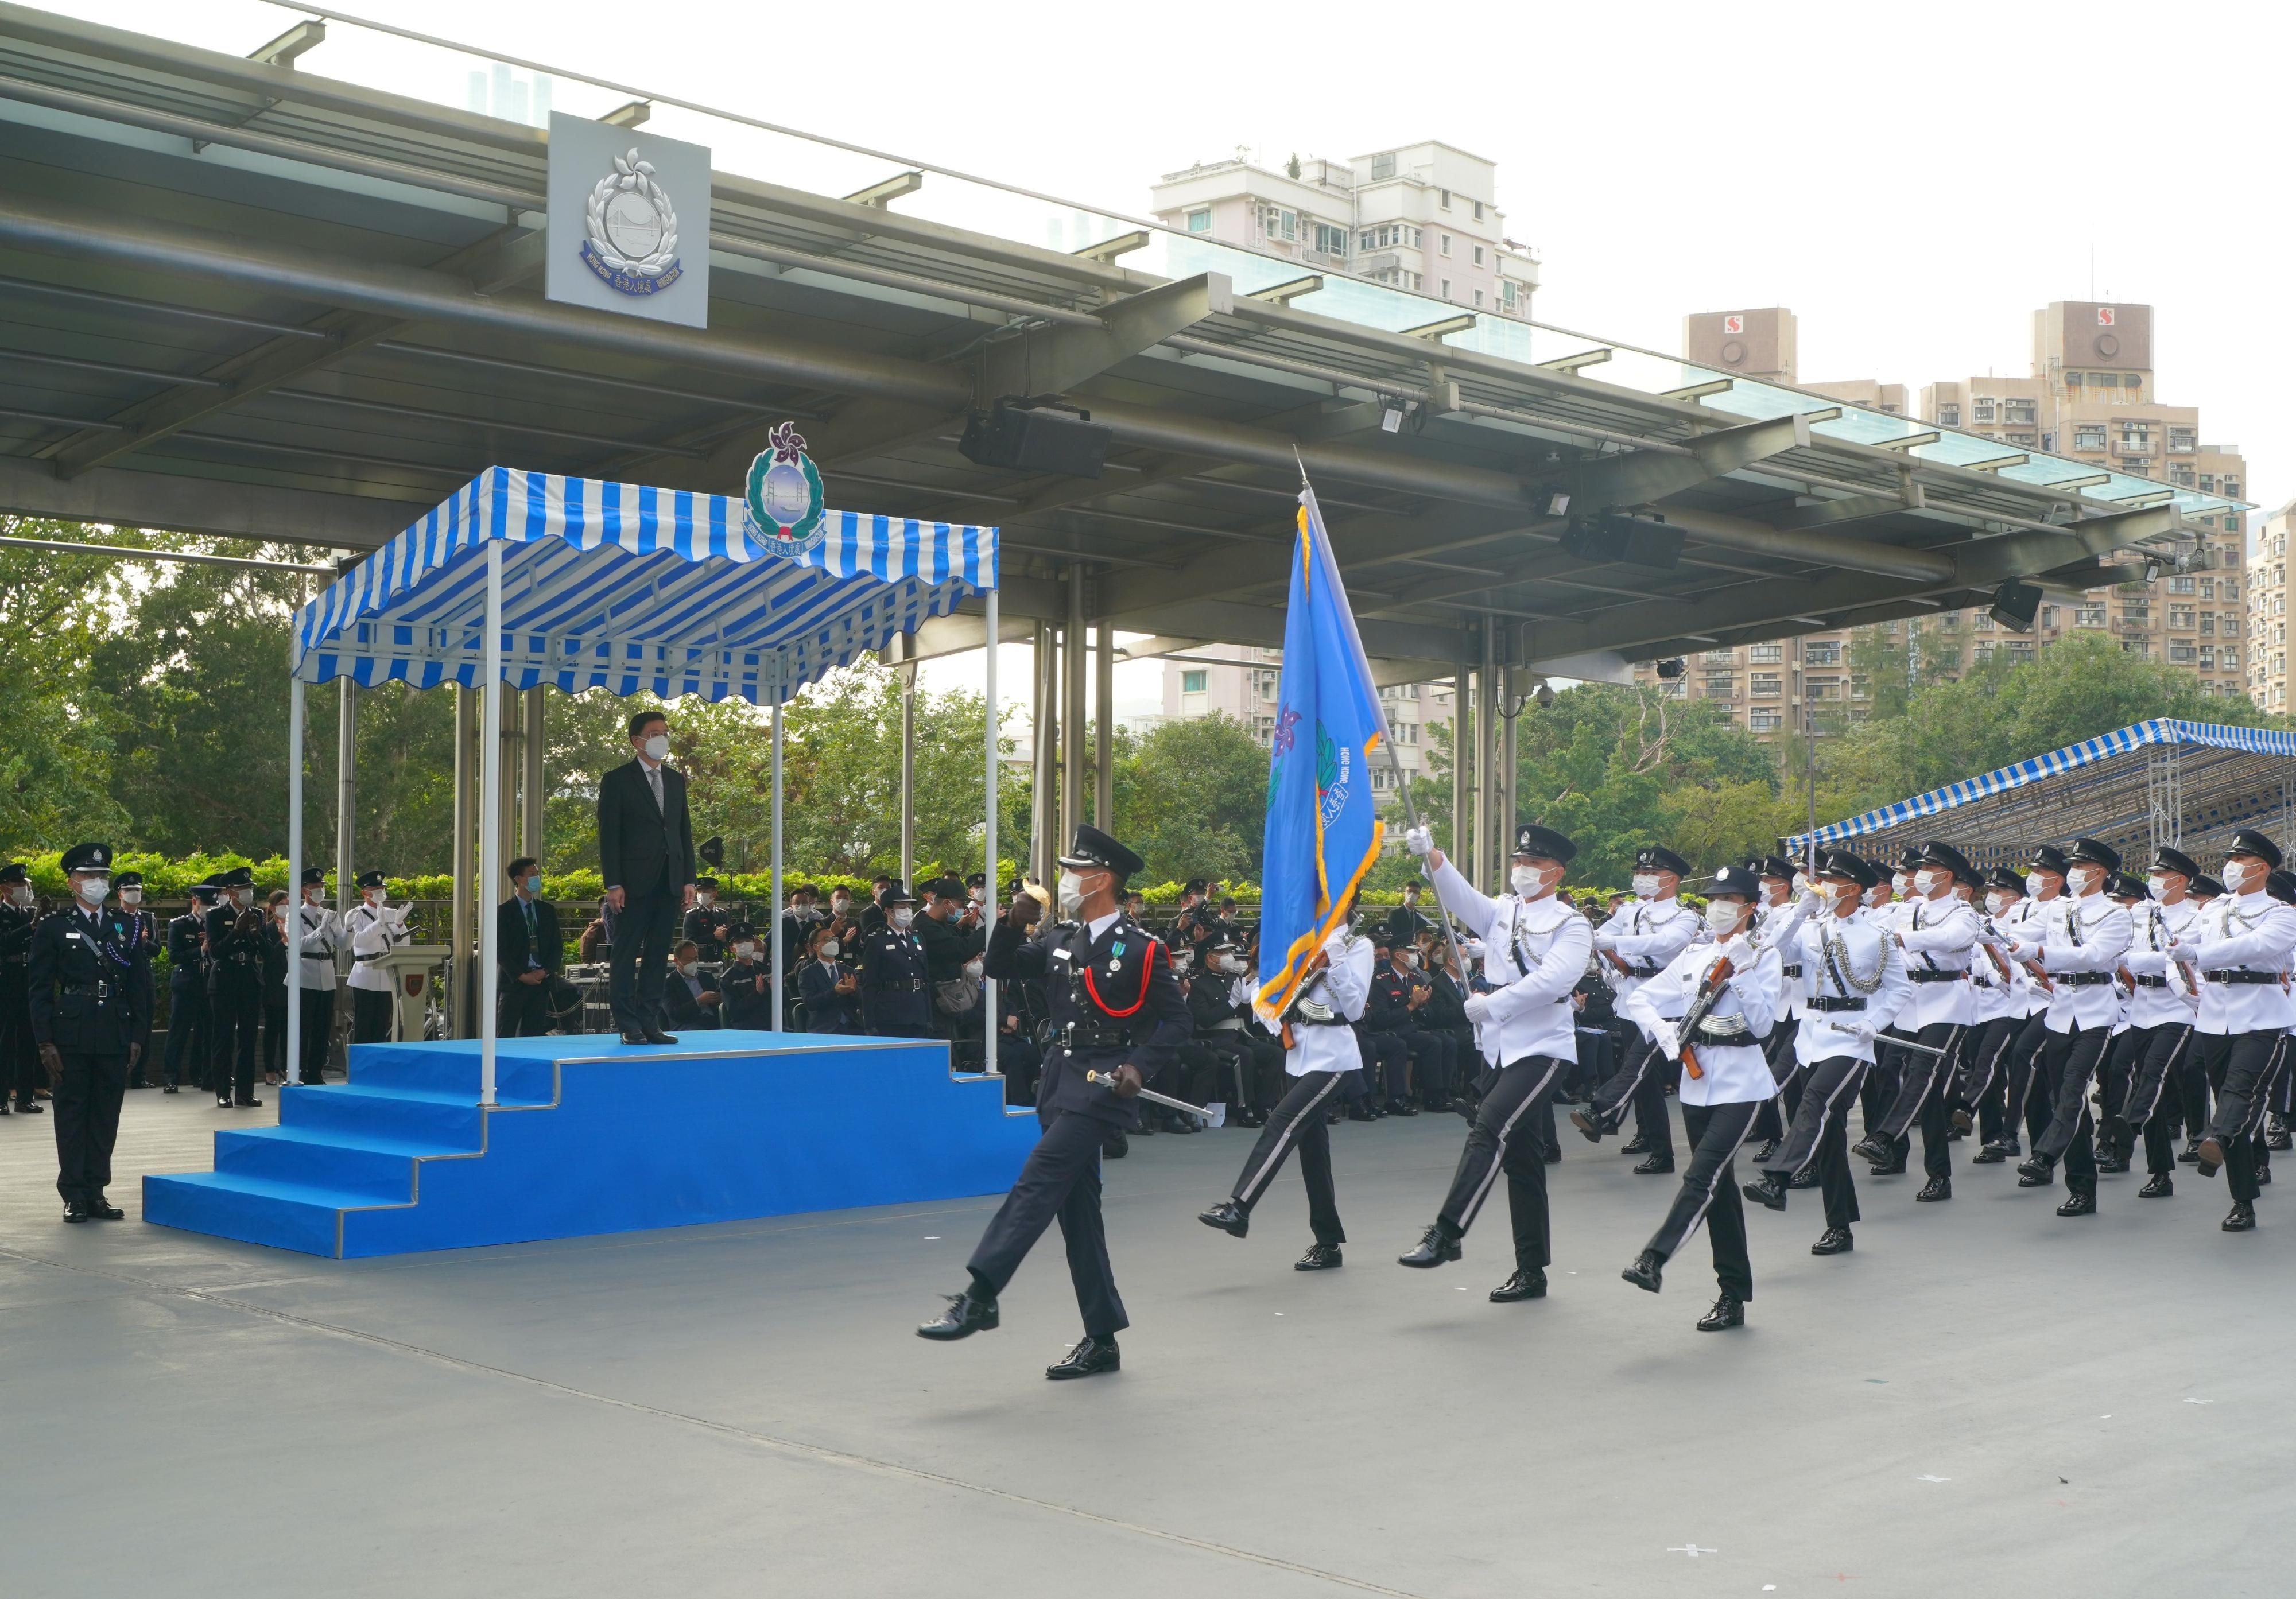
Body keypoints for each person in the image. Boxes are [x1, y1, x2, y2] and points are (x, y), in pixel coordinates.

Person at [918, 825, 1189, 1380]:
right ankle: (1102, 1337)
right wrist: (1011, 921)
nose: (1066, 880)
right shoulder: (1062, 938)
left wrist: (1139, 1066)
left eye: (1075, 871)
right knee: (1077, 1212)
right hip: (1059, 1078)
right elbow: (998, 966)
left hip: (1104, 1084)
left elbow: (1177, 1019)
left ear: (1103, 879)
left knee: (1038, 1179)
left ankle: (980, 1293)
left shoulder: (1141, 949)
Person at [1397, 822, 1593, 1304]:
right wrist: (1433, 856)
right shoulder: (1503, 912)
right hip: (1499, 1049)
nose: (1522, 871)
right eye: (1518, 863)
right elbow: (1460, 899)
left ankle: (1447, 1232)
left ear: (1556, 873)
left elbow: (1553, 983)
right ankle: (1532, 1271)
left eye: (1533, 864)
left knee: (1488, 1129)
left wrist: (1495, 1002)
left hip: (1542, 1047)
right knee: (1522, 1163)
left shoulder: (1572, 925)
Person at [1619, 865, 1782, 1331]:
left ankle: (1654, 1257)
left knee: (1701, 1176)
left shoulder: (1763, 956)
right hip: (1697, 1082)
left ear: (1750, 908)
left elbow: (1763, 1025)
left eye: (1729, 899)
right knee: (1718, 1192)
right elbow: (1642, 999)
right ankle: (1733, 1295)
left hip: (1743, 1085)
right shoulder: (1694, 956)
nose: (1718, 907)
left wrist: (1744, 970)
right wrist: (1665, 1033)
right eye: (1713, 898)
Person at [1743, 851, 1911, 1256]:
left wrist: (1873, 1023)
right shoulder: (1811, 928)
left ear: (1853, 889)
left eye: (1834, 880)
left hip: (1851, 1040)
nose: (1826, 886)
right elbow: (1770, 947)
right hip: (1811, 1035)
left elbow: (1900, 990)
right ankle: (1840, 1227)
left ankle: (1777, 1178)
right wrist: (1800, 912)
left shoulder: (1877, 935)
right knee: (1828, 1136)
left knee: (1815, 1102)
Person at [1197, 915, 1375, 1270]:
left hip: (1333, 1057)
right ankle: (1328, 1243)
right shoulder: (1301, 940)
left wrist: (1336, 958)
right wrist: (1273, 1014)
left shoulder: (1357, 946)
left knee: (1282, 1123)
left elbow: (1354, 1009)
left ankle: (1240, 1207)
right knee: (1313, 1153)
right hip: (1299, 1057)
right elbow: (1264, 993)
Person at [1998, 837, 2134, 1217]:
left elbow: (2093, 956)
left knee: (2074, 1087)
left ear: (2100, 872)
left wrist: (2041, 953)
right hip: (2060, 1012)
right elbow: (2023, 936)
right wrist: (1990, 934)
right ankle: (2083, 1189)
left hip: (2095, 1013)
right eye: (2072, 864)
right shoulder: (2059, 910)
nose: (2073, 872)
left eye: (2081, 865)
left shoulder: (2115, 914)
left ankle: (2044, 1155)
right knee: (2066, 1101)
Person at [2169, 829, 2296, 1230]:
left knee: (2239, 1092)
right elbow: (2178, 943)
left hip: (2261, 1015)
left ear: (2261, 868)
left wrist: (2197, 953)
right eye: (2231, 858)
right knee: (2230, 1102)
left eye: (2240, 860)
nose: (2231, 867)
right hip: (2214, 1015)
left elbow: (2254, 948)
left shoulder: (2282, 913)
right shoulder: (2211, 910)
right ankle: (2242, 1199)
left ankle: (2216, 1138)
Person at [1855, 840, 1978, 1201]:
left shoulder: (1962, 912)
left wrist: (1901, 938)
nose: (1919, 875)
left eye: (1927, 868)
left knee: (1922, 1072)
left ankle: (1883, 1137)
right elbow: (1874, 937)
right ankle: (1928, 1168)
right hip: (1910, 1001)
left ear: (1947, 875)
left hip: (1948, 1001)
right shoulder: (1904, 910)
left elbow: (1952, 940)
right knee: (1894, 1072)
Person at [31, 843, 148, 1223]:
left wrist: (137, 1036)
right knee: (71, 1112)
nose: (97, 882)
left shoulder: (128, 925)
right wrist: (45, 1040)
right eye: (89, 876)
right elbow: (39, 988)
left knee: (105, 1114)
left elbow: (140, 986)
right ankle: (74, 1193)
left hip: (114, 1027)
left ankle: (97, 1190)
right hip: (72, 1032)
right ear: (72, 882)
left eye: (102, 876)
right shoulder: (54, 927)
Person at [1579, 847, 1700, 1172]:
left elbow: (1663, 944)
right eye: (1640, 872)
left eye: (1651, 873)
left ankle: (1657, 1148)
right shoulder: (1629, 911)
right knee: (1644, 1078)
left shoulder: (1684, 916)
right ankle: (1648, 1135)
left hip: (1667, 1002)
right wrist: (1611, 950)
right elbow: (1602, 935)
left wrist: (1617, 944)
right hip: (1633, 997)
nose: (1642, 878)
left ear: (1671, 879)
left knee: (1642, 1068)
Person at [597, 708, 696, 1046]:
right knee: (625, 955)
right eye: (654, 733)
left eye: (664, 732)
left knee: (657, 955)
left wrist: (689, 879)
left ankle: (650, 1022)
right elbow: (609, 837)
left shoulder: (674, 779)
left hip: (669, 881)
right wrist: (614, 883)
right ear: (636, 740)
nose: (661, 738)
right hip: (632, 883)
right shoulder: (617, 780)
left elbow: (683, 832)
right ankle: (628, 1023)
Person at [204, 866, 264, 1108]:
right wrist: (237, 931)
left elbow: (267, 950)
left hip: (249, 978)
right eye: (242, 889)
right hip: (225, 978)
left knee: (249, 1039)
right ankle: (222, 1092)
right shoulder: (216, 915)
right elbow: (216, 951)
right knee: (224, 1037)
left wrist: (256, 935)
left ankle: (245, 1093)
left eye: (249, 888)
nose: (247, 892)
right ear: (230, 892)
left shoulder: (258, 914)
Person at [159, 875, 218, 1095]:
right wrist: (201, 949)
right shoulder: (180, 924)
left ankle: (202, 1075)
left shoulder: (217, 924)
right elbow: (174, 955)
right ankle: (171, 1077)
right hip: (187, 984)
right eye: (205, 905)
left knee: (206, 1032)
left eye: (212, 905)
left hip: (209, 984)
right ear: (195, 902)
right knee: (178, 1032)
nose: (208, 909)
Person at [497, 856, 563, 1039]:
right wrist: (521, 975)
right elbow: (500, 950)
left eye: (537, 874)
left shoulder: (547, 911)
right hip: (514, 983)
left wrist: (546, 971)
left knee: (533, 1035)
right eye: (531, 874)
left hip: (541, 983)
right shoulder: (504, 911)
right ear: (518, 879)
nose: (536, 878)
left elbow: (557, 947)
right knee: (506, 1033)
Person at [857, 879, 933, 1037]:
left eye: (909, 906)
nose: (907, 911)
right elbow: (869, 984)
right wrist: (869, 1023)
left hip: (918, 1014)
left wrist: (928, 1016)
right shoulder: (877, 940)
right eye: (901, 907)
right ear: (889, 911)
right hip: (891, 1014)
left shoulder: (917, 938)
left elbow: (925, 980)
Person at [344, 870, 409, 1045]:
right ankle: (360, 1068)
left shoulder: (392, 913)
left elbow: (404, 944)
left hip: (387, 975)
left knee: (381, 1027)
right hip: (365, 975)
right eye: (375, 888)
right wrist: (378, 924)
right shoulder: (356, 914)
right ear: (365, 892)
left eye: (382, 887)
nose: (380, 891)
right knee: (363, 1026)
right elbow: (357, 941)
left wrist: (400, 925)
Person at [0, 860, 38, 1114]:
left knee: (28, 1041)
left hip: (27, 979)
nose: (22, 888)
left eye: (23, 884)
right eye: (17, 884)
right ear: (4, 887)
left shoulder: (26, 913)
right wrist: (31, 927)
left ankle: (25, 1097)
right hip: (6, 980)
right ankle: (2, 1098)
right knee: (5, 1042)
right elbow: (6, 942)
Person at [115, 871, 159, 1089]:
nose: (134, 895)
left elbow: (157, 949)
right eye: (130, 891)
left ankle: (140, 1075)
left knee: (145, 1025)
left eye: (138, 891)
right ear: (120, 894)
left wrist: (144, 942)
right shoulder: (115, 918)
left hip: (144, 976)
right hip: (123, 976)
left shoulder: (148, 918)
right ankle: (119, 1073)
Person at [798, 923, 862, 1033]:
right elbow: (810, 1003)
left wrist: (853, 990)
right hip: (824, 1029)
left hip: (851, 1026)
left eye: (834, 939)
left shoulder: (848, 970)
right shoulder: (807, 973)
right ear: (815, 947)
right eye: (826, 940)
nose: (832, 943)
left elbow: (861, 1001)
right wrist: (835, 992)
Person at [718, 924, 777, 1030]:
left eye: (748, 941)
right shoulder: (728, 978)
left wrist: (776, 991)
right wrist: (757, 994)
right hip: (747, 1030)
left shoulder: (767, 970)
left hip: (773, 1026)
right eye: (739, 942)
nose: (745, 944)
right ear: (732, 949)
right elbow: (735, 1012)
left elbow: (785, 1002)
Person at [259, 890, 290, 1086]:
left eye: (288, 903)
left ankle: (287, 1067)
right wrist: (283, 942)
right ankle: (269, 1069)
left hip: (293, 985)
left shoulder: (295, 926)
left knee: (289, 1029)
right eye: (282, 904)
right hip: (273, 984)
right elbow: (267, 955)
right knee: (273, 1029)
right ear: (272, 907)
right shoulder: (267, 929)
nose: (286, 908)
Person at [662, 941, 722, 1031]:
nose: (693, 963)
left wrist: (717, 998)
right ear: (677, 961)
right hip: (687, 1024)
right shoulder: (669, 983)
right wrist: (699, 1001)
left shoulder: (707, 977)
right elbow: (674, 1013)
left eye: (696, 958)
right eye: (688, 960)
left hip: (712, 1020)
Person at [684, 876, 731, 962]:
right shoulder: (692, 915)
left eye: (706, 891)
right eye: (699, 891)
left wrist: (725, 938)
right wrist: (713, 936)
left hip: (718, 960)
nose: (702, 894)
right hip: (699, 961)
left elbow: (729, 943)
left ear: (714, 894)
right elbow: (688, 942)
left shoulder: (723, 915)